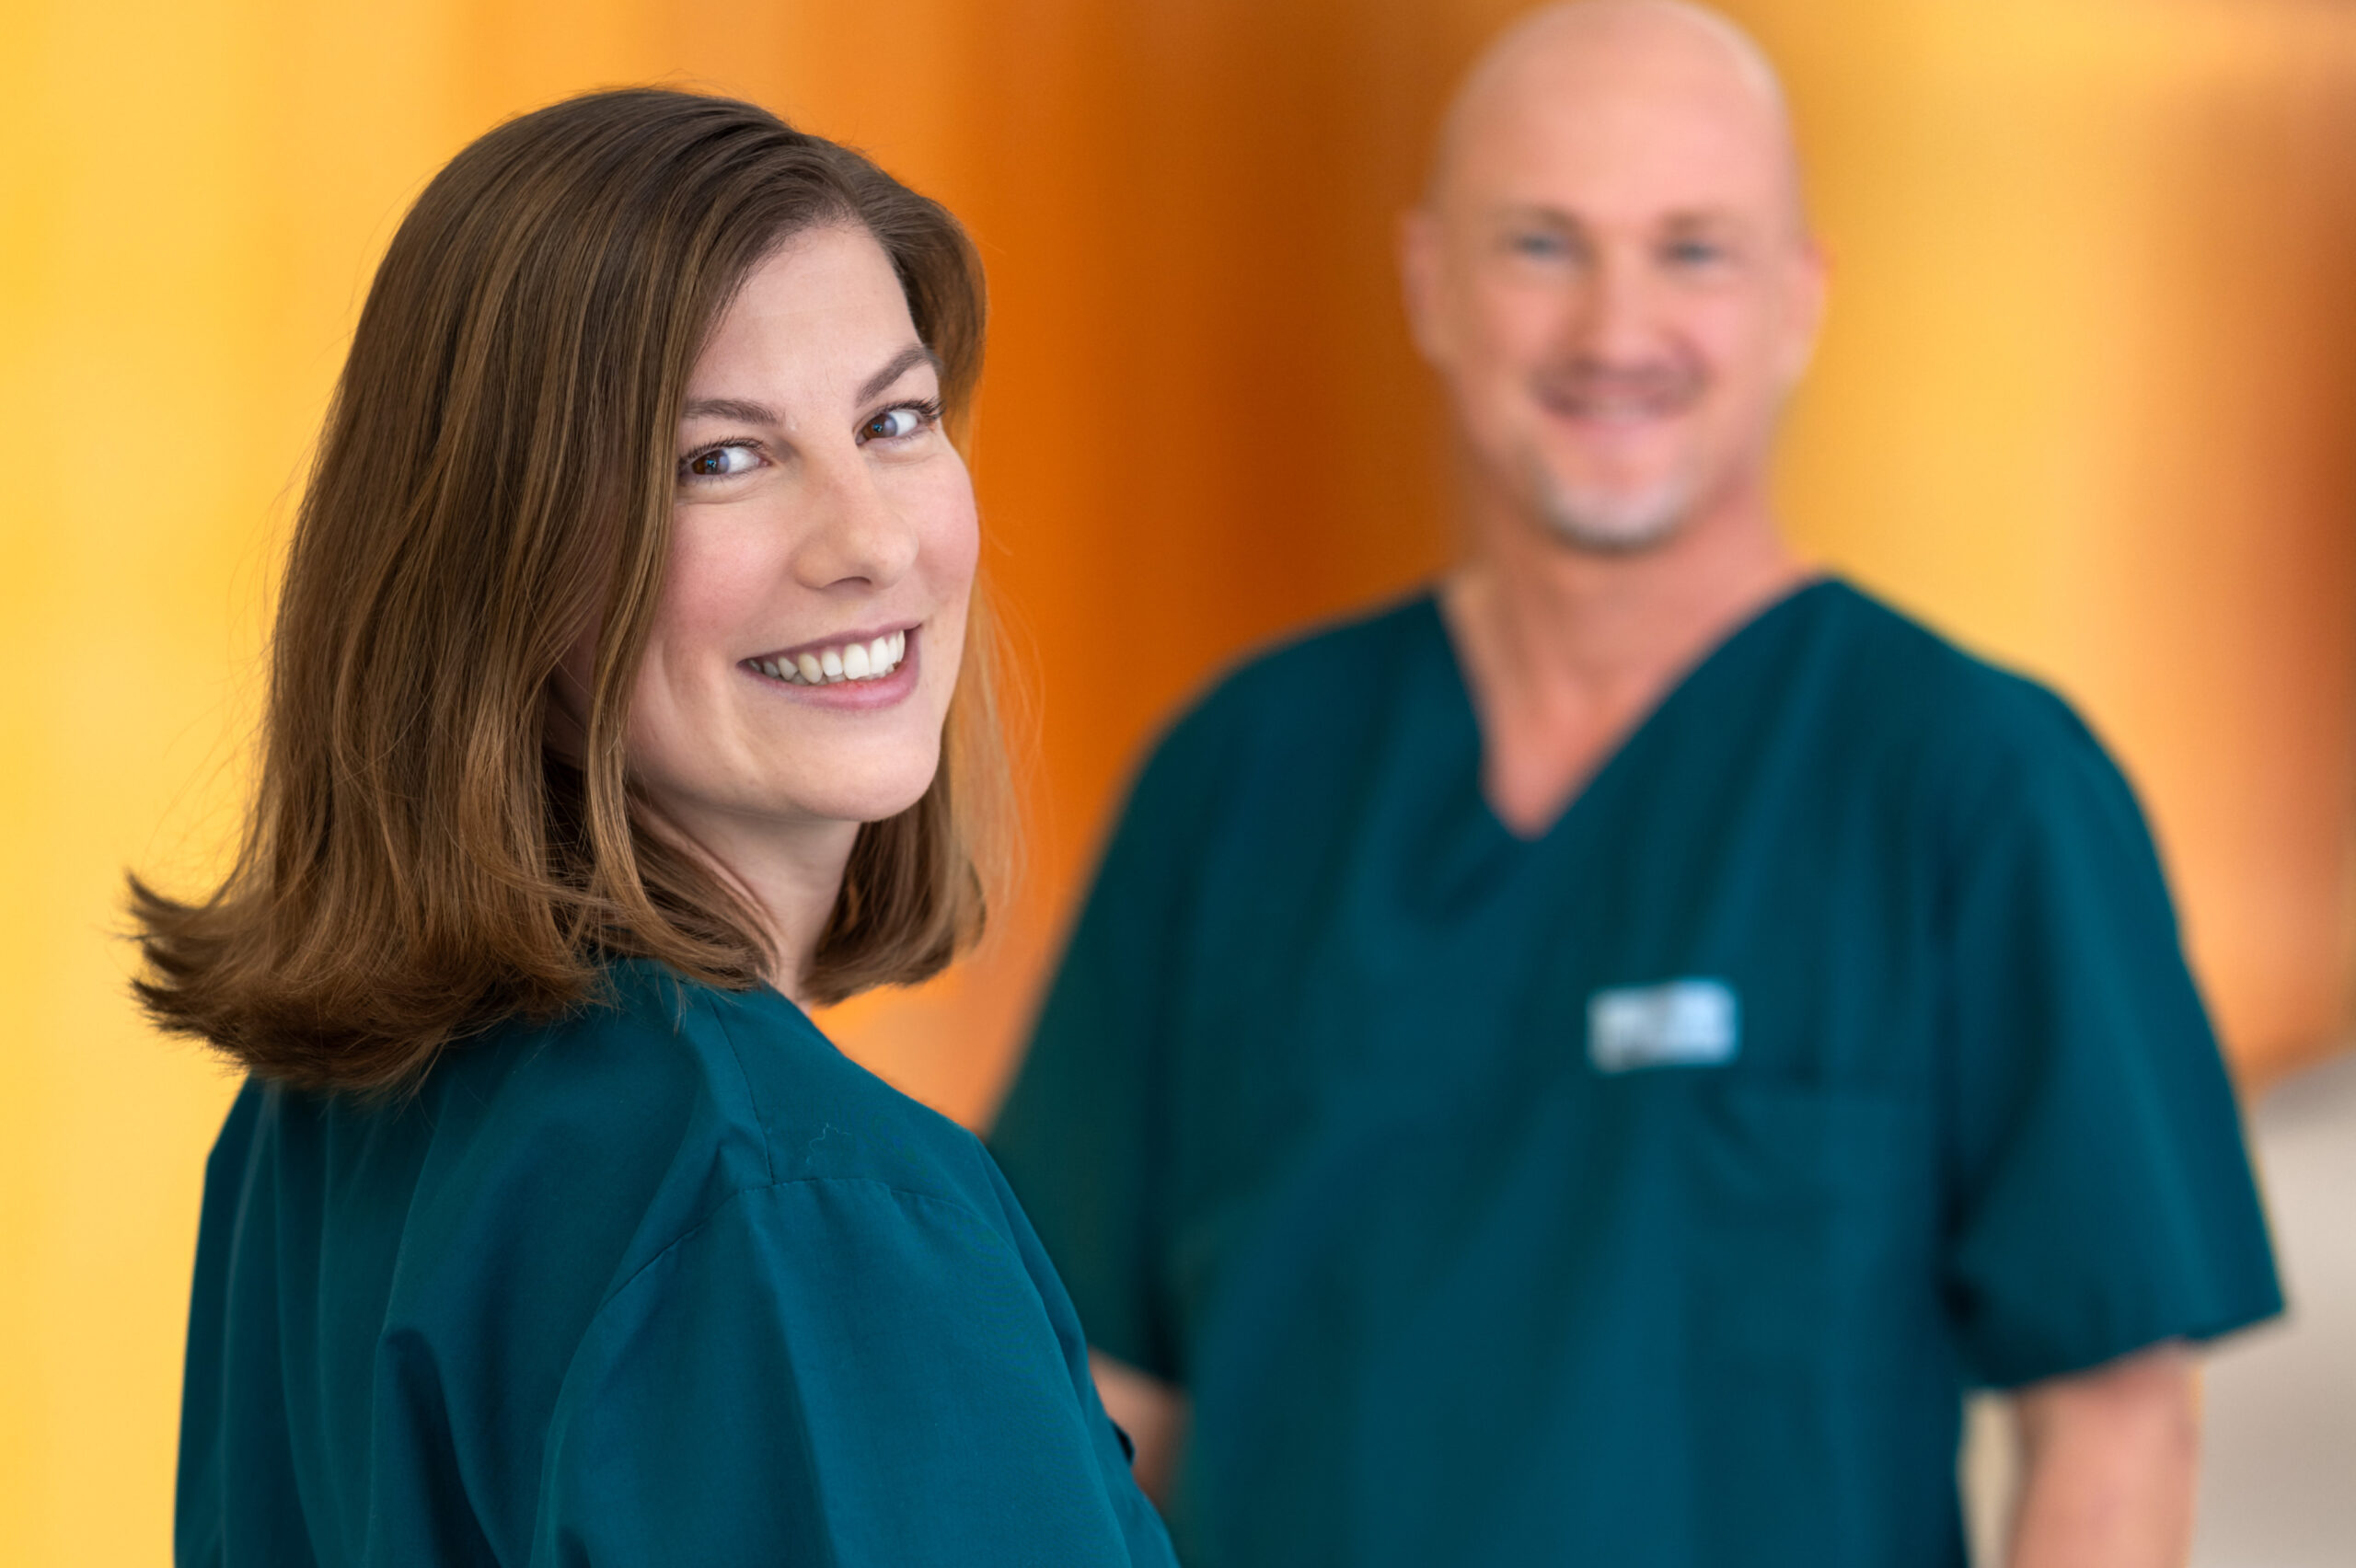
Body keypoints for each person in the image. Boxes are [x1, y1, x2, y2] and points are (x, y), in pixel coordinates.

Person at [987, 5, 2281, 1565]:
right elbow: (1091, 1395)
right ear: (1430, 285)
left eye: (1694, 251)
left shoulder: (1979, 788)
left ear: (1800, 300)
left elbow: (2113, 1423)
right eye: (1541, 244)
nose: (1615, 329)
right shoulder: (1241, 777)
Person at [133, 88, 1174, 1567]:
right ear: (503, 565)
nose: (871, 538)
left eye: (894, 420)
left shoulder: (319, 1130)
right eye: (721, 459)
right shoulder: (800, 1206)